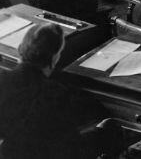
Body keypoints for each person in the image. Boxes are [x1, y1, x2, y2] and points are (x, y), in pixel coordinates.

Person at [0, 23, 106, 159]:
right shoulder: (55, 94)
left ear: (21, 48)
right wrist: (101, 131)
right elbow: (72, 148)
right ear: (54, 57)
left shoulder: (3, 79)